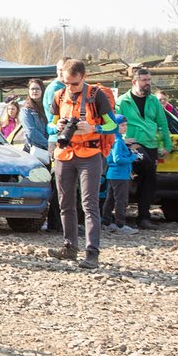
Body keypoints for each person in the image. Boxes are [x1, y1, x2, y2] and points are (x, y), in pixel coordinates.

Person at [46, 59, 117, 269]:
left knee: (89, 204)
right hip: (64, 153)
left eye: (74, 83)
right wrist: (55, 126)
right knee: (65, 203)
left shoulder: (97, 95)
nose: (69, 87)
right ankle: (69, 247)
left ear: (83, 77)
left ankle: (92, 253)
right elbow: (50, 124)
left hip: (90, 155)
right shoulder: (59, 95)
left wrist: (94, 128)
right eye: (65, 82)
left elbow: (113, 124)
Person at [114, 68, 172, 230]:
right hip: (131, 144)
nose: (148, 84)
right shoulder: (123, 101)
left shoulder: (154, 101)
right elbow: (116, 123)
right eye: (144, 80)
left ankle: (143, 216)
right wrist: (124, 141)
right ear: (135, 82)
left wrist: (166, 145)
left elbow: (162, 124)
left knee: (150, 179)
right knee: (127, 176)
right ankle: (116, 216)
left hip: (150, 144)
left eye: (149, 80)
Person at [19, 78, 60, 232]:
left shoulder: (47, 109)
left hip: (49, 152)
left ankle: (52, 221)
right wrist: (50, 144)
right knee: (38, 186)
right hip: (35, 152)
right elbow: (31, 132)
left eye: (37, 88)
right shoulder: (26, 110)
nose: (35, 91)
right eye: (32, 89)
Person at [102, 115, 141, 235]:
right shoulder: (118, 141)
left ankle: (106, 222)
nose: (125, 127)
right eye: (122, 125)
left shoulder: (114, 138)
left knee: (110, 200)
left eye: (126, 125)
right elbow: (118, 159)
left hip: (112, 175)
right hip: (120, 175)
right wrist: (133, 157)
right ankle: (120, 225)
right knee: (121, 201)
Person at [42, 57, 72, 157]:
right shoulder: (54, 89)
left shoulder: (71, 86)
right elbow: (56, 117)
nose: (61, 73)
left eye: (64, 70)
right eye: (59, 70)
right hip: (57, 139)